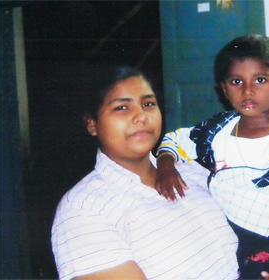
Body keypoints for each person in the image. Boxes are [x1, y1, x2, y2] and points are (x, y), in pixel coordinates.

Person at [156, 35, 269, 280]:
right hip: (222, 236)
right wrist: (165, 164)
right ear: (224, 89)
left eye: (260, 80)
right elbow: (177, 139)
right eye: (236, 81)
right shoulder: (216, 131)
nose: (248, 90)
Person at [51, 67, 239, 280]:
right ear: (92, 124)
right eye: (122, 107)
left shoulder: (192, 171)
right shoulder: (83, 208)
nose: (141, 116)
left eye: (148, 104)